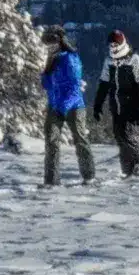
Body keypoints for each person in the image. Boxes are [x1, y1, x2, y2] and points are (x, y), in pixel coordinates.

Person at [39, 26, 94, 186]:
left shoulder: (70, 59)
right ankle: (51, 181)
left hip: (74, 106)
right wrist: (46, 72)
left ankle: (89, 176)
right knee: (51, 142)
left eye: (52, 43)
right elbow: (47, 85)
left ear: (60, 42)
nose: (49, 47)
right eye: (47, 44)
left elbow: (74, 87)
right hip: (55, 106)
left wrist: (63, 107)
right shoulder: (53, 59)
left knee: (80, 140)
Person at [93, 27, 139, 177]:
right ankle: (127, 170)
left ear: (122, 44)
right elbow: (103, 84)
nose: (113, 48)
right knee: (119, 137)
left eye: (115, 45)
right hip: (116, 107)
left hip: (132, 107)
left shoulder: (135, 60)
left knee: (128, 136)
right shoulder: (109, 62)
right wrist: (97, 105)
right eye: (110, 46)